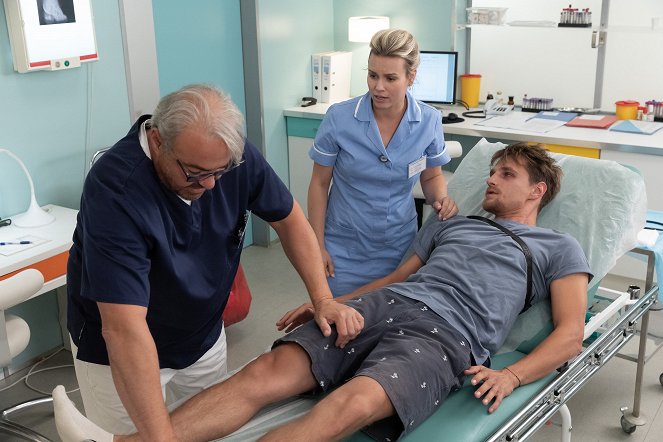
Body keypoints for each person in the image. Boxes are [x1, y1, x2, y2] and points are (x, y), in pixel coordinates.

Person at [55, 143, 591, 442]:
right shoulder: (452, 225)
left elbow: (571, 332)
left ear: (538, 190)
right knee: (263, 375)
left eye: (508, 174)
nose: (492, 179)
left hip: (447, 334)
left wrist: (512, 373)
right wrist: (331, 300)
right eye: (493, 170)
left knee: (348, 405)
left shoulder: (556, 246)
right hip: (386, 305)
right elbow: (397, 278)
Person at [65, 84, 363, 440]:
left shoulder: (227, 154)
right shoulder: (116, 190)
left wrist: (323, 299)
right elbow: (124, 329)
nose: (208, 184)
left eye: (219, 173)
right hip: (121, 353)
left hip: (202, 335)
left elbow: (289, 219)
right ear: (158, 142)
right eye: (193, 173)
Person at [308, 29, 458, 297]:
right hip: (343, 246)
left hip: (399, 248)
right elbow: (319, 184)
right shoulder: (339, 118)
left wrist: (441, 200)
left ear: (411, 77)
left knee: (387, 323)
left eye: (390, 78)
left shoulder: (429, 120)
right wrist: (317, 246)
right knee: (337, 323)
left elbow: (432, 176)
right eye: (372, 75)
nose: (378, 86)